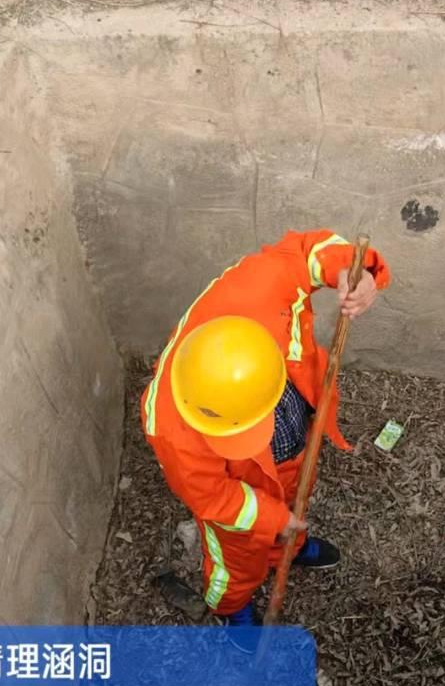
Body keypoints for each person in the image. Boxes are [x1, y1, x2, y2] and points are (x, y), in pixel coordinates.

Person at [140, 231, 390, 625]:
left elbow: (307, 252)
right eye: (241, 431)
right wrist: (272, 519)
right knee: (236, 558)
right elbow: (214, 497)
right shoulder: (169, 427)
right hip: (241, 489)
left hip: (293, 440)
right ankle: (232, 605)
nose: (255, 435)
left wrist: (352, 270)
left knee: (295, 495)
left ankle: (288, 548)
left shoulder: (258, 288)